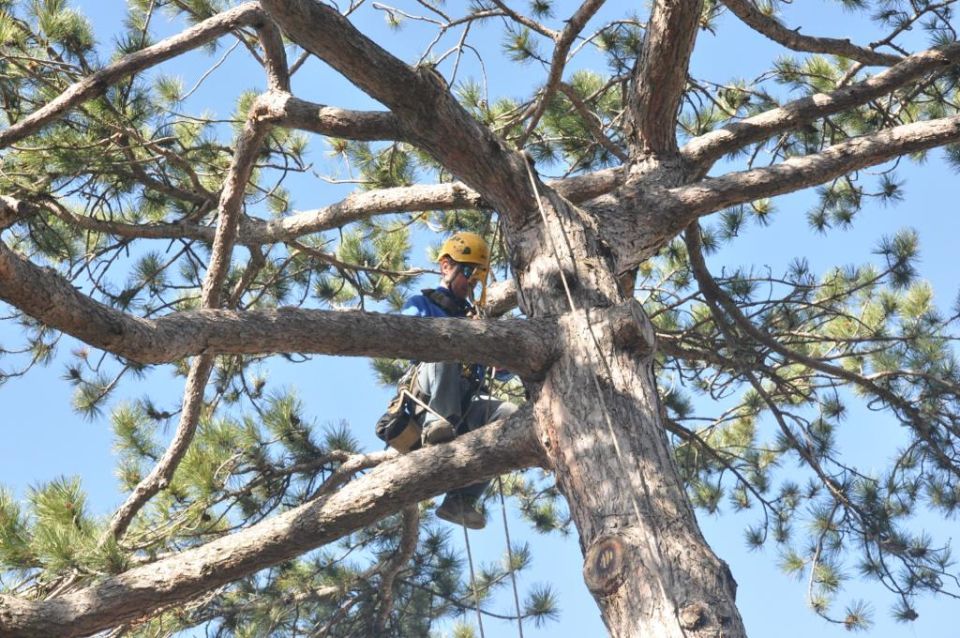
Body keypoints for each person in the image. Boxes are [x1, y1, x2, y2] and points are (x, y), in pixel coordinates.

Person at [401, 232, 517, 530]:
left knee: (508, 416)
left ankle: (461, 499)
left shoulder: (473, 316)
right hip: (427, 396)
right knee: (445, 343)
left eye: (477, 277)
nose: (471, 282)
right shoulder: (422, 303)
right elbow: (407, 336)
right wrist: (462, 333)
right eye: (467, 272)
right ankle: (436, 427)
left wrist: (497, 352)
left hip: (465, 403)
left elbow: (499, 370)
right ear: (445, 266)